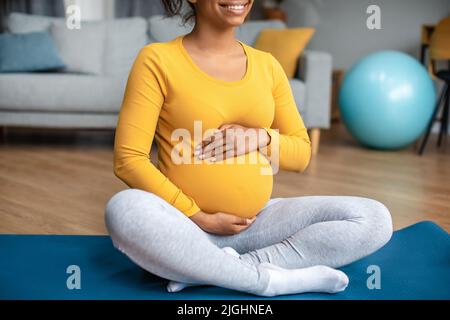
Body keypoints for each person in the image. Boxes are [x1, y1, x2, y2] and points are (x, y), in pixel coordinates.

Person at [105, 0, 393, 297]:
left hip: (256, 224)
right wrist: (197, 216)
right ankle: (267, 282)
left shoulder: (267, 65)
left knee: (373, 218)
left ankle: (220, 269)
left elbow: (301, 154)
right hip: (185, 226)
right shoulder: (157, 59)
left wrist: (261, 138)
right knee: (124, 209)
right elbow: (129, 159)